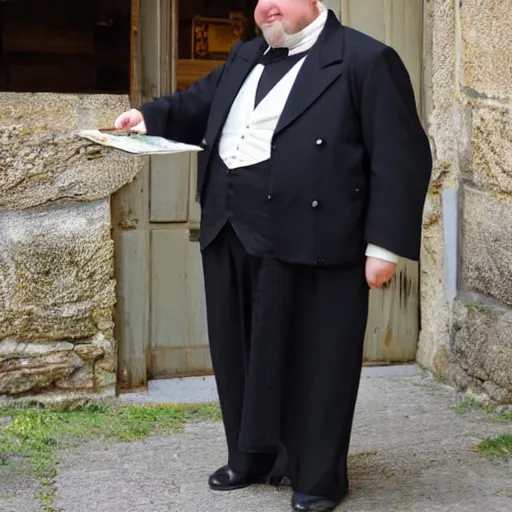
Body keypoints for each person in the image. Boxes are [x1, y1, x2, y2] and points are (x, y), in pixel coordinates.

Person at [115, 1, 432, 510]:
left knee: (319, 357)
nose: (265, 6)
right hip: (230, 223)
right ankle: (250, 456)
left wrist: (385, 247)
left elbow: (402, 156)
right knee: (236, 347)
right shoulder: (245, 57)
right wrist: (147, 115)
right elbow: (198, 103)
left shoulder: (366, 61)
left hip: (320, 234)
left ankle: (319, 476)